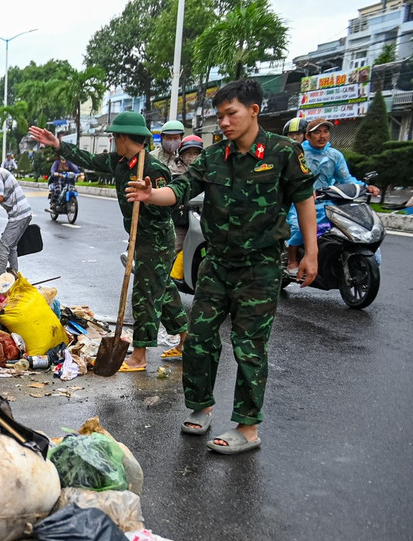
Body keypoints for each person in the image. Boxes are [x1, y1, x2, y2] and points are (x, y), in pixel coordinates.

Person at [124, 79, 318, 456]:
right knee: (198, 339)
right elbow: (180, 190)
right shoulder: (214, 157)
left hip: (259, 267)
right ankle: (202, 405)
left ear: (254, 111)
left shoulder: (282, 152)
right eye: (220, 116)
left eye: (232, 114)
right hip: (216, 264)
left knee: (249, 346)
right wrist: (151, 195)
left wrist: (310, 251)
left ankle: (247, 427)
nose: (225, 122)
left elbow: (304, 198)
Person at [29, 112, 187, 372]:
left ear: (125, 137)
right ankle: (185, 338)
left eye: (115, 136)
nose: (113, 141)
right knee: (163, 288)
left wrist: (147, 198)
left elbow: (165, 208)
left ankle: (139, 355)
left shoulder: (153, 169)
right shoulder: (120, 161)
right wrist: (58, 145)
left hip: (156, 239)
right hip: (139, 237)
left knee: (146, 294)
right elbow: (89, 159)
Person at [284, 116, 380, 273]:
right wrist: (303, 191)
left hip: (328, 200)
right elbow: (290, 178)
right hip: (300, 201)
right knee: (298, 225)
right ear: (308, 136)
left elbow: (345, 178)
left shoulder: (335, 155)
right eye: (317, 132)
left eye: (326, 131)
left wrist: (366, 187)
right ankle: (292, 260)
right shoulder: (299, 154)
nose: (322, 136)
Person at [170, 135, 205, 258]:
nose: (192, 157)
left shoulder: (207, 171)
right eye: (188, 153)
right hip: (182, 220)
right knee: (177, 247)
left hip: (202, 219)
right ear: (182, 155)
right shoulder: (174, 172)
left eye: (195, 153)